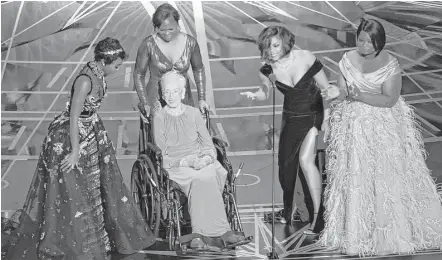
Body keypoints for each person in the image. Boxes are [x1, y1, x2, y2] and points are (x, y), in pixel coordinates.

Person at [1, 37, 156, 259]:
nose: (119, 69)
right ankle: (71, 242)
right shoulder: (85, 80)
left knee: (94, 187)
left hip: (90, 129)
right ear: (104, 61)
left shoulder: (99, 74)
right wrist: (75, 151)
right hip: (69, 137)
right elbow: (73, 116)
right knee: (73, 191)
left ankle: (91, 239)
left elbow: (89, 110)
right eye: (117, 65)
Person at [319, 18, 442, 256]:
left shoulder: (390, 64)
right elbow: (344, 91)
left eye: (370, 41)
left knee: (384, 177)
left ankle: (389, 233)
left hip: (382, 127)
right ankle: (357, 236)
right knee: (356, 177)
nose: (364, 45)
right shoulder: (346, 59)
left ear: (380, 42)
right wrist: (337, 92)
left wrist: (358, 95)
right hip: (353, 129)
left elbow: (389, 99)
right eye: (361, 39)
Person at [240, 26, 339, 234]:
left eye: (275, 45)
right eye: (267, 46)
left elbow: (326, 90)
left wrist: (327, 120)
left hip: (314, 114)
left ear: (285, 43)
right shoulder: (267, 69)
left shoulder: (305, 57)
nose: (271, 50)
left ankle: (318, 217)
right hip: (291, 118)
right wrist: (253, 95)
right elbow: (264, 92)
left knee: (305, 160)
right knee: (285, 168)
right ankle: (288, 211)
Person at [153, 71, 248, 250]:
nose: (171, 96)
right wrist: (186, 162)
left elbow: (208, 145)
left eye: (175, 91)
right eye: (167, 92)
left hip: (200, 160)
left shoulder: (194, 113)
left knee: (209, 174)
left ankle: (220, 232)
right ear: (162, 94)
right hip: (177, 165)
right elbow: (163, 154)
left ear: (183, 93)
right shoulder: (160, 118)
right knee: (200, 179)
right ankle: (206, 233)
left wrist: (205, 159)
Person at [133, 3, 209, 117]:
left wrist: (202, 99)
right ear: (156, 28)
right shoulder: (148, 44)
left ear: (178, 25)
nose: (167, 33)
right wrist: (144, 102)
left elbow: (198, 70)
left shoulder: (190, 43)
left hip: (183, 99)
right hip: (155, 100)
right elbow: (139, 74)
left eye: (171, 29)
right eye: (162, 30)